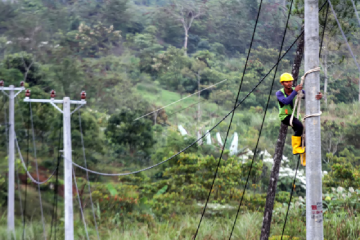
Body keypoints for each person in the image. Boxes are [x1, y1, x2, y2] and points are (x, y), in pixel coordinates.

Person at [276, 73, 322, 166]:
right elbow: (286, 101)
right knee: (299, 126)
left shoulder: (297, 91)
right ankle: (296, 148)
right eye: (287, 82)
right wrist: (295, 92)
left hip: (296, 117)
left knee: (303, 134)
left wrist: (318, 96)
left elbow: (309, 95)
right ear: (282, 83)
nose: (289, 83)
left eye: (291, 81)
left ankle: (304, 155)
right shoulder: (280, 93)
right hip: (285, 116)